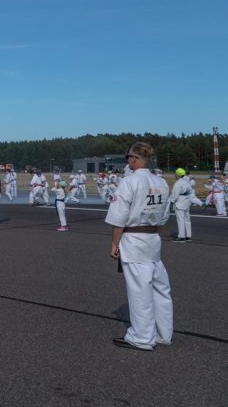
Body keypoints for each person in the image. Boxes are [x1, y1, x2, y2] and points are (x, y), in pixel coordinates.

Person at [105, 142, 172, 350]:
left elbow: (119, 217)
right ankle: (164, 333)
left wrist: (115, 242)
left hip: (134, 240)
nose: (128, 161)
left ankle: (142, 337)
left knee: (139, 289)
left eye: (128, 157)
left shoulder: (129, 182)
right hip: (153, 238)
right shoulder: (161, 182)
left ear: (134, 158)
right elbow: (163, 216)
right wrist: (154, 236)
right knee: (160, 288)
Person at [170, 167, 203, 242]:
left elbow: (175, 195)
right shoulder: (187, 183)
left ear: (177, 175)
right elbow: (191, 194)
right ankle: (188, 236)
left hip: (180, 203)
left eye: (175, 174)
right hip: (187, 202)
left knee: (180, 220)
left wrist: (171, 202)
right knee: (187, 220)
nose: (174, 175)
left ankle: (181, 237)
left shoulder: (178, 183)